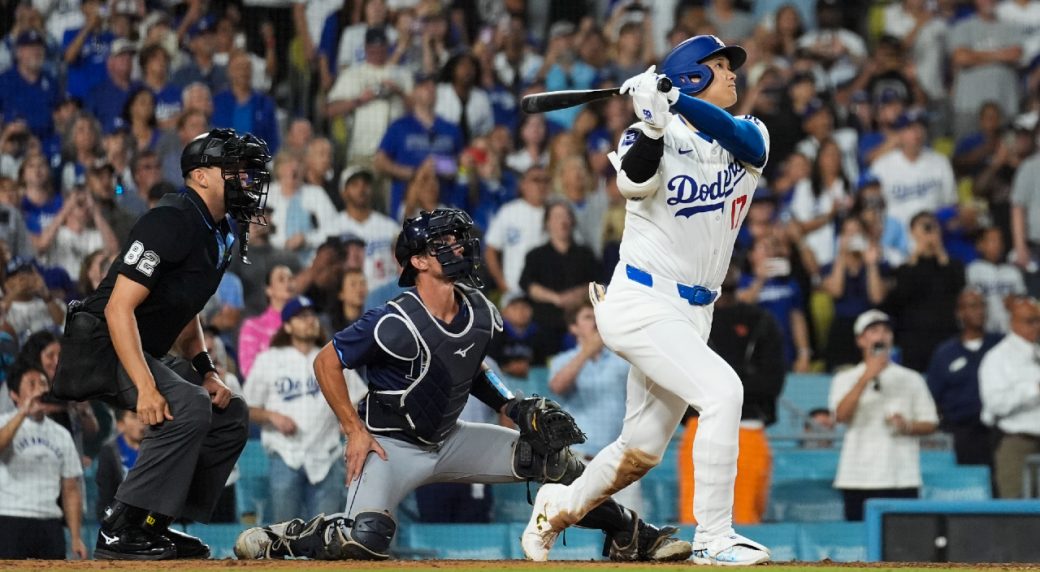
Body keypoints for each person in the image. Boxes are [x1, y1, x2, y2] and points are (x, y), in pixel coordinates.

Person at [233, 208, 690, 563]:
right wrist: (353, 429)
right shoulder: (391, 319)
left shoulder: (477, 309)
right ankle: (288, 537)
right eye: (442, 243)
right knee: (367, 539)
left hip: (451, 438)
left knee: (550, 458)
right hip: (390, 448)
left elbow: (471, 370)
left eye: (456, 238)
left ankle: (630, 532)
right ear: (417, 261)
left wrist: (512, 406)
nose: (457, 246)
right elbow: (325, 362)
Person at [522, 36, 773, 565]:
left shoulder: (750, 132)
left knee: (641, 450)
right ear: (691, 75)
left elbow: (744, 144)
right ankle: (714, 537)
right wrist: (657, 123)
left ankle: (556, 508)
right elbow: (634, 181)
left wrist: (675, 101)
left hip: (693, 312)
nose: (732, 74)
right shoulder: (645, 131)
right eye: (720, 66)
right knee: (724, 392)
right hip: (641, 301)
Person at [49, 128, 267, 560]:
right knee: (186, 405)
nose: (246, 181)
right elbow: (116, 309)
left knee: (230, 412)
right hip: (99, 346)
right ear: (201, 176)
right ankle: (118, 527)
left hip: (139, 349)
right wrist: (147, 387)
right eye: (235, 170)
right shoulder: (170, 220)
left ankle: (151, 524)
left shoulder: (219, 231)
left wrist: (207, 371)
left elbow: (186, 309)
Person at [679, 261, 786, 526]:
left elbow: (772, 381)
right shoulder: (688, 320)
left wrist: (715, 387)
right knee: (695, 518)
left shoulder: (760, 321)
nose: (726, 268)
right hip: (699, 426)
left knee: (745, 519)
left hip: (746, 427)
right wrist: (736, 384)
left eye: (730, 261)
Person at [244, 296, 345, 523]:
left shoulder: (332, 358)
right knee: (283, 532)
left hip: (327, 457)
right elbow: (246, 407)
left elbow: (360, 399)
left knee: (326, 534)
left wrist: (348, 422)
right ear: (288, 325)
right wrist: (272, 416)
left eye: (312, 315)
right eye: (301, 317)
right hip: (285, 454)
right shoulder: (268, 360)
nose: (309, 321)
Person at [830, 310, 939, 521]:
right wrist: (865, 378)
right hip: (857, 477)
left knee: (904, 546)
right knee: (858, 544)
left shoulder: (911, 378)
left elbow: (930, 422)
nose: (881, 336)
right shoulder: (845, 378)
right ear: (861, 340)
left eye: (886, 330)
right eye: (873, 331)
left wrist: (907, 426)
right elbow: (841, 415)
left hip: (902, 475)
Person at [0, 362, 87, 560]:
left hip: (49, 521)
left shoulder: (61, 434)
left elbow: (71, 488)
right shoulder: (3, 422)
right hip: (9, 519)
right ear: (14, 394)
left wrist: (75, 537)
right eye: (31, 384)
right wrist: (23, 412)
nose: (39, 389)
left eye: (42, 383)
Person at [926, 288, 1001, 467]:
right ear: (960, 312)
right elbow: (931, 397)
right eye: (972, 306)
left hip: (997, 430)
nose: (979, 311)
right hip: (960, 431)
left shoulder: (1000, 345)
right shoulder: (945, 353)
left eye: (982, 305)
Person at [979, 296, 1040, 497]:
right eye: (1030, 321)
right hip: (1017, 442)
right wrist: (1033, 390)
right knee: (1018, 512)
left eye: (1039, 320)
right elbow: (994, 404)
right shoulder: (998, 357)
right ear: (1012, 322)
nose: (1037, 326)